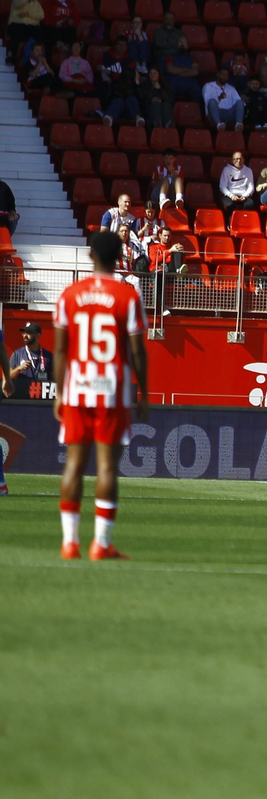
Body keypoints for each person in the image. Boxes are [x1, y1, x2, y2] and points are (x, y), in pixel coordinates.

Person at [52, 229, 148, 559]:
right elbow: (137, 351)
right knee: (106, 467)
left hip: (78, 386)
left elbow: (61, 350)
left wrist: (59, 392)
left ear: (91, 255)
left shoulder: (70, 294)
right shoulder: (128, 296)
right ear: (119, 256)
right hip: (112, 388)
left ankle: (70, 542)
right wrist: (145, 392)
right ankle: (101, 544)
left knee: (74, 465)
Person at [9, 320, 53, 400]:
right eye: (23, 333)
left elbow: (55, 379)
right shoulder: (17, 354)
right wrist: (19, 369)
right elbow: (8, 377)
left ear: (38, 336)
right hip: (22, 399)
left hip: (42, 400)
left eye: (29, 333)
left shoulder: (48, 356)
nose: (25, 335)